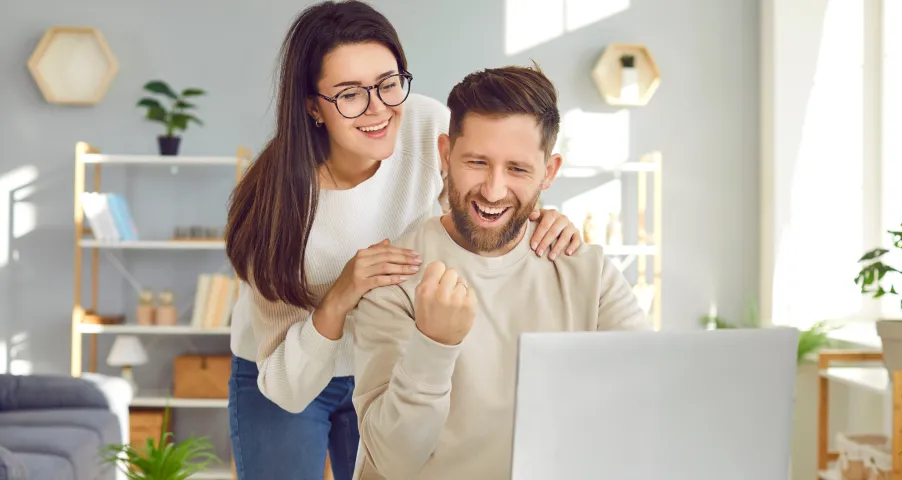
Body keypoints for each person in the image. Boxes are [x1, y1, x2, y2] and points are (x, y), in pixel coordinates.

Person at [222, 2, 584, 479]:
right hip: (286, 371)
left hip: (388, 357)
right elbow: (286, 389)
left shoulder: (427, 126)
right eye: (350, 94)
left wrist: (540, 214)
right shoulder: (274, 204)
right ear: (312, 105)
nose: (379, 109)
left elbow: (487, 194)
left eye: (388, 83)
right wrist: (341, 294)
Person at [349, 64, 652, 480]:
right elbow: (393, 460)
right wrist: (433, 344)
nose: (493, 190)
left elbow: (650, 403)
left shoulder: (588, 273)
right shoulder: (395, 275)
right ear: (444, 155)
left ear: (549, 172)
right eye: (476, 162)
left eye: (518, 169)